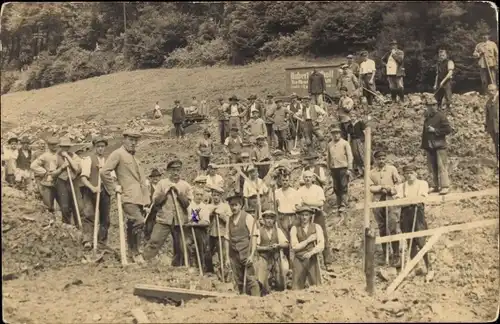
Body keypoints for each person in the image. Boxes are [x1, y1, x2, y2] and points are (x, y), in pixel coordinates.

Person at [101, 130, 151, 264]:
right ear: (124, 140)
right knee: (139, 221)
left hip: (139, 198)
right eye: (131, 140)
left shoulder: (135, 158)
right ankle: (136, 252)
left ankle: (131, 253)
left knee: (132, 225)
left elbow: (141, 181)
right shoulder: (118, 154)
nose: (133, 143)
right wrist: (114, 188)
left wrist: (146, 201)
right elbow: (104, 171)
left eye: (135, 140)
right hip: (127, 196)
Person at [142, 159, 193, 265]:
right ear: (169, 171)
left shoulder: (185, 185)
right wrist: (165, 193)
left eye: (178, 170)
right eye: (173, 170)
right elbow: (155, 201)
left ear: (180, 171)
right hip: (164, 219)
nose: (175, 173)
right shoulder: (162, 183)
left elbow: (188, 204)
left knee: (181, 245)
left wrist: (179, 194)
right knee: (154, 241)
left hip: (180, 221)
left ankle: (179, 265)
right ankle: (145, 261)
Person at [394, 165, 435, 282]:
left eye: (411, 172)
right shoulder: (401, 187)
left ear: (416, 173)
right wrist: (409, 201)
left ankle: (429, 268)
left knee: (421, 241)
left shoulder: (422, 184)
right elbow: (398, 202)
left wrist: (408, 201)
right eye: (406, 173)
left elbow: (421, 199)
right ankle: (416, 267)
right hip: (405, 215)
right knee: (410, 242)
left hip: (418, 214)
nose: (408, 175)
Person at [368, 151, 402, 267]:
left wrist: (392, 189)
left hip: (390, 199)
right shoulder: (371, 173)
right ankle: (385, 253)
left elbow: (398, 183)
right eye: (379, 159)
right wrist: (380, 188)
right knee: (382, 227)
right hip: (378, 201)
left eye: (383, 158)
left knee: (392, 225)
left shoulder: (392, 169)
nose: (381, 161)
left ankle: (396, 255)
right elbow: (370, 187)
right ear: (375, 160)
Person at [224, 191, 261, 296]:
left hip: (246, 252)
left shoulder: (248, 217)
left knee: (250, 279)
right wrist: (227, 257)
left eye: (236, 205)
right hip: (234, 254)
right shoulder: (229, 220)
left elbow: (254, 236)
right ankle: (243, 301)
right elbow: (226, 238)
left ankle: (256, 300)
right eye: (231, 205)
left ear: (240, 205)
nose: (233, 208)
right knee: (238, 279)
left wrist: (252, 254)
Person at [79, 136, 112, 249]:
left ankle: (101, 242)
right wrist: (92, 188)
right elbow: (83, 178)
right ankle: (87, 240)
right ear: (94, 147)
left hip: (105, 191)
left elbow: (112, 178)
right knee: (89, 215)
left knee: (105, 219)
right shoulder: (88, 159)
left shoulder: (108, 161)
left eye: (102, 147)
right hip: (90, 190)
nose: (100, 149)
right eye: (98, 147)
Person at [296, 170, 332, 270]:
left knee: (323, 236)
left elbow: (320, 203)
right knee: (305, 237)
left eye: (310, 177)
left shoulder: (318, 189)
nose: (308, 179)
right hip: (305, 215)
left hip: (317, 214)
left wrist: (307, 202)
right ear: (303, 179)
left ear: (313, 178)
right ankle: (307, 263)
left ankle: (327, 262)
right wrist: (311, 204)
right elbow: (299, 205)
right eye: (306, 177)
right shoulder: (300, 190)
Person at [421, 97, 452, 195]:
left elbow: (448, 129)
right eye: (429, 106)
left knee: (442, 166)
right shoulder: (427, 117)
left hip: (439, 145)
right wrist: (425, 145)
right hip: (430, 146)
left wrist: (435, 131)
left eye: (433, 105)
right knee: (432, 167)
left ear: (436, 105)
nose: (431, 107)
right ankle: (435, 186)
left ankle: (444, 186)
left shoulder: (441, 116)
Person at [290, 205, 325, 290]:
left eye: (306, 215)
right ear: (299, 216)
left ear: (310, 216)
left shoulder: (317, 227)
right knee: (296, 288)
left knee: (316, 286)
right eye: (302, 215)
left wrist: (311, 253)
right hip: (299, 258)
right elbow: (294, 246)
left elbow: (321, 244)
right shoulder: (294, 228)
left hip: (312, 258)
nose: (304, 217)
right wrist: (307, 241)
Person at [255, 209, 289, 292]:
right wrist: (266, 248)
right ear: (263, 220)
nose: (269, 220)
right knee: (262, 280)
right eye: (267, 218)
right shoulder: (259, 231)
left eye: (271, 218)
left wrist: (278, 245)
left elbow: (286, 244)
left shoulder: (278, 231)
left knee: (281, 278)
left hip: (276, 257)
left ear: (274, 220)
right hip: (264, 257)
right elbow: (255, 247)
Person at [326, 126, 353, 213]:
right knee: (336, 187)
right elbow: (328, 157)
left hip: (343, 168)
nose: (336, 135)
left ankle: (344, 204)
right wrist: (328, 169)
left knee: (343, 185)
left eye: (337, 133)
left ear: (340, 134)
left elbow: (350, 156)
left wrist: (349, 168)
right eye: (334, 134)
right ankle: (338, 204)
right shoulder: (330, 144)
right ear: (332, 135)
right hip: (334, 168)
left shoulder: (345, 143)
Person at [207, 185, 231, 278]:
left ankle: (224, 272)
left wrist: (221, 216)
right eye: (214, 195)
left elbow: (228, 220)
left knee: (222, 254)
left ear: (221, 196)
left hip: (221, 234)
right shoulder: (209, 206)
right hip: (211, 233)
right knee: (208, 252)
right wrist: (211, 214)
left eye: (217, 195)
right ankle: (210, 271)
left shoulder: (225, 206)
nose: (215, 197)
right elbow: (205, 218)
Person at [30, 137, 60, 212]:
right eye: (52, 145)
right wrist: (44, 172)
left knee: (62, 204)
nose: (54, 146)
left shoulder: (60, 154)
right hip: (48, 182)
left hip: (60, 181)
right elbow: (33, 166)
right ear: (49, 146)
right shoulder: (45, 155)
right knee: (48, 204)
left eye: (55, 144)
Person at [186, 188, 211, 272]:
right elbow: (193, 220)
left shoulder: (204, 207)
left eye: (201, 195)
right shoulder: (190, 206)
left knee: (202, 249)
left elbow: (206, 222)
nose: (199, 196)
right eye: (197, 194)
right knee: (189, 246)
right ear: (194, 195)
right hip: (191, 231)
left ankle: (202, 268)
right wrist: (197, 222)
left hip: (202, 231)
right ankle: (192, 266)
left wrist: (196, 222)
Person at [347, 109, 367, 177]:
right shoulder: (349, 126)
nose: (352, 118)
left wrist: (366, 140)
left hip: (360, 140)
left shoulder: (360, 123)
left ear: (356, 117)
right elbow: (349, 135)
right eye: (351, 116)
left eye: (354, 116)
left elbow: (365, 132)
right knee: (355, 154)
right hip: (353, 141)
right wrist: (348, 143)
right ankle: (360, 169)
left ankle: (366, 168)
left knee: (362, 154)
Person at [144, 168, 162, 241]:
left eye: (157, 177)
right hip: (149, 212)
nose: (155, 178)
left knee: (157, 230)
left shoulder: (161, 188)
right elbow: (144, 198)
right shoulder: (148, 187)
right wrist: (145, 208)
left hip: (158, 211)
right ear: (151, 178)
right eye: (153, 177)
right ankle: (147, 242)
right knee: (149, 228)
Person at [484, 84, 499, 162]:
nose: (490, 92)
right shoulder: (488, 102)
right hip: (493, 128)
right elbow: (487, 116)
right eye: (489, 91)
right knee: (497, 145)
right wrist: (487, 128)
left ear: (496, 90)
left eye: (492, 90)